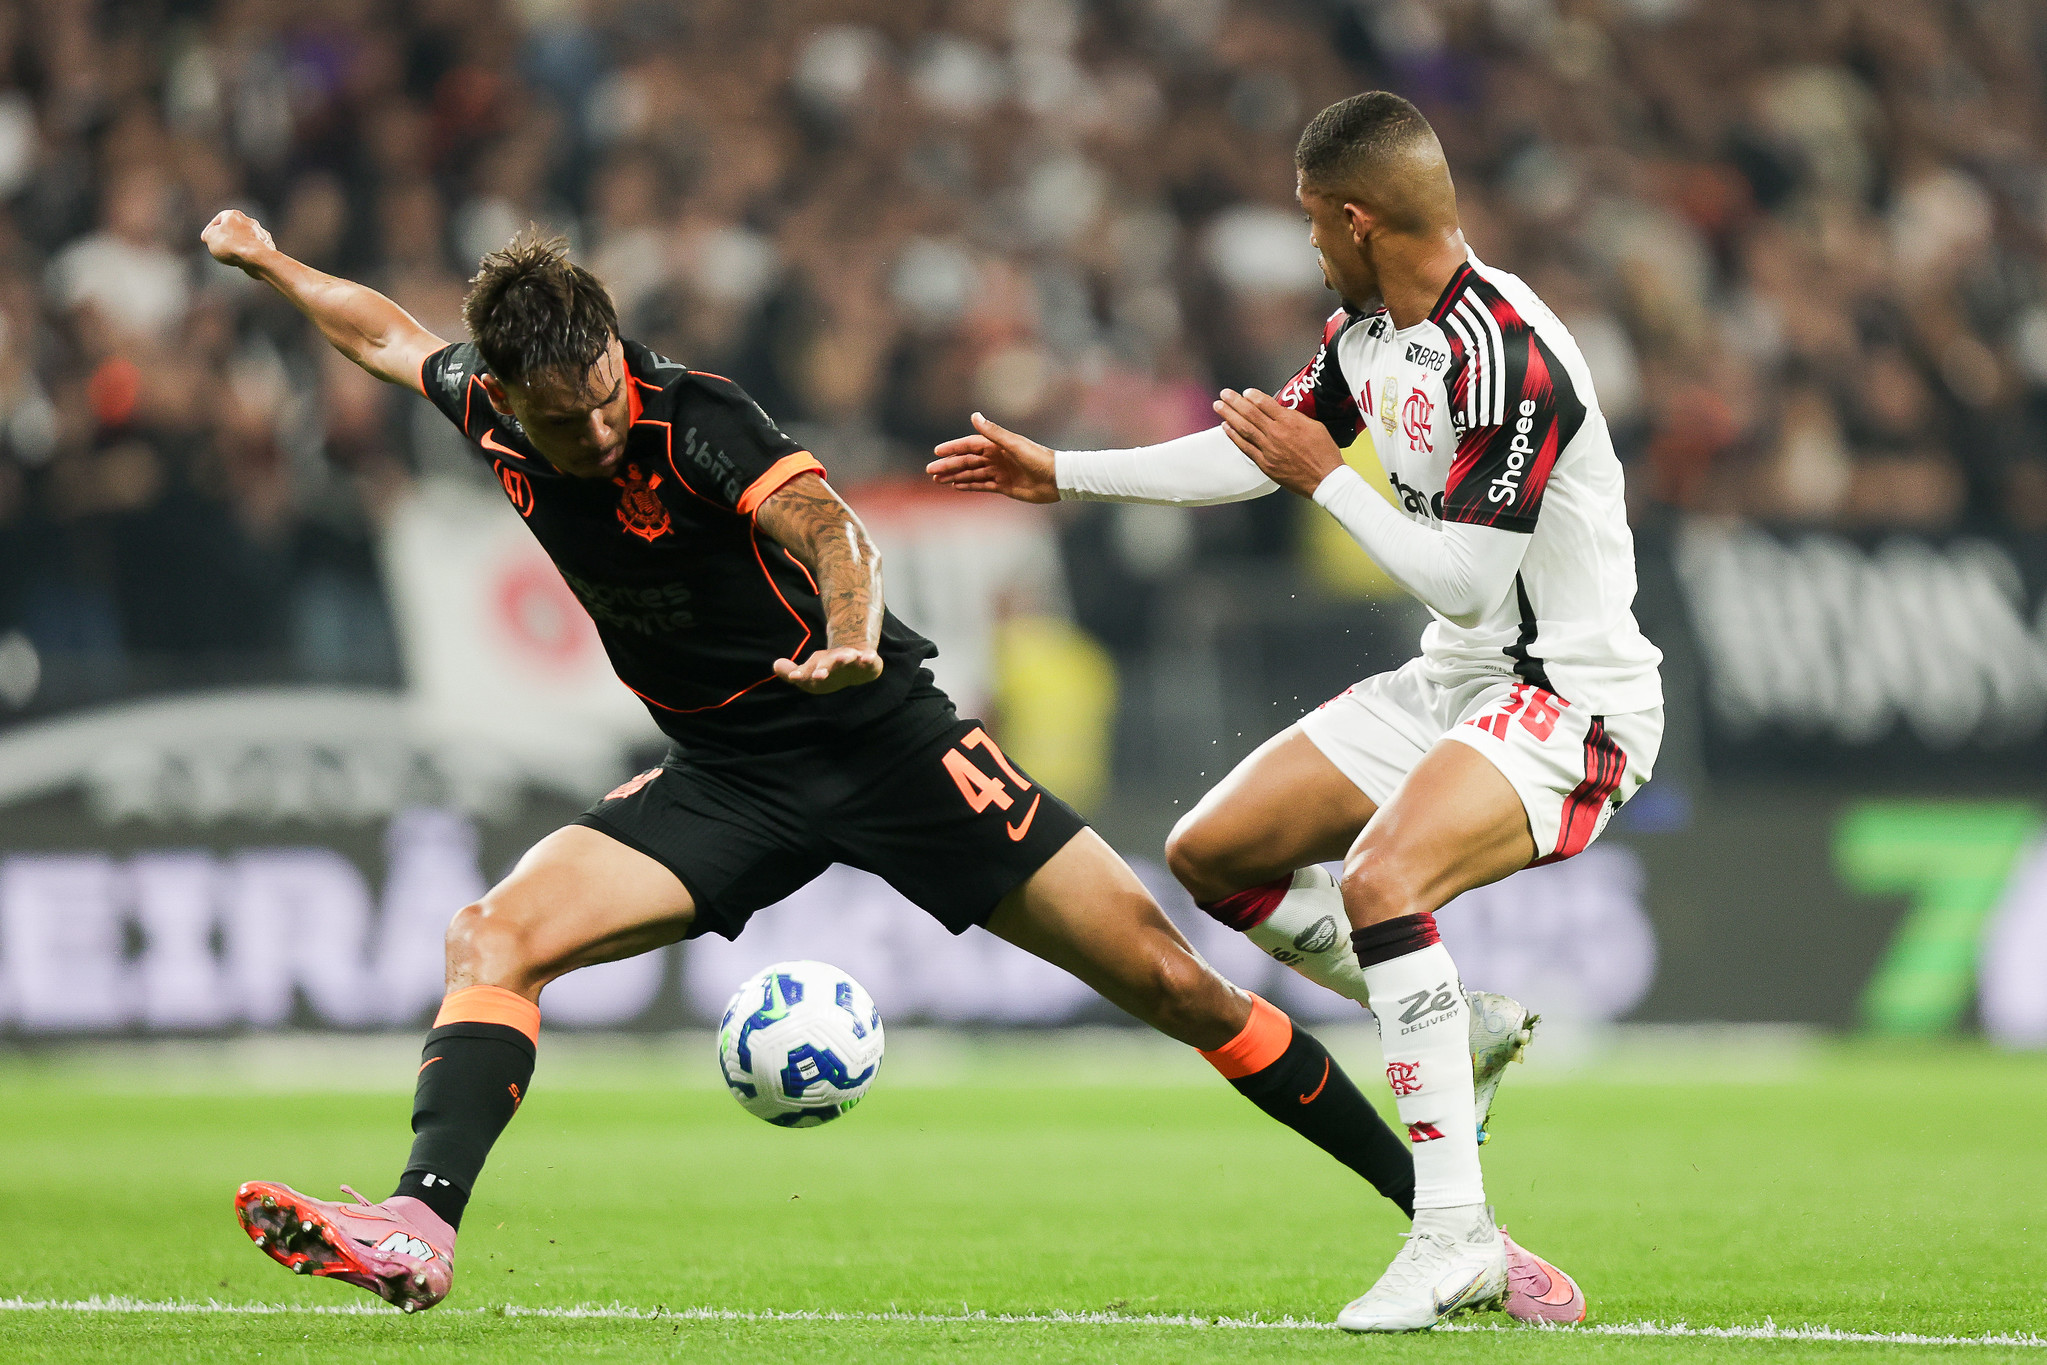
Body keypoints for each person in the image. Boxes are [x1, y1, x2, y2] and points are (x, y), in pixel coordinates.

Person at [199, 210, 1554, 1323]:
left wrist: (849, 640)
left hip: (886, 738)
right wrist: (272, 267)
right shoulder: (486, 403)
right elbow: (382, 329)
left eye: (608, 400)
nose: (601, 438)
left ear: (618, 351)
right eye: (567, 427)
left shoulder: (694, 416)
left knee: (1171, 983)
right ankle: (417, 1225)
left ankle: (1458, 1232)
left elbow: (834, 530)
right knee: (489, 935)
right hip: (725, 771)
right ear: (503, 397)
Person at [930, 90, 1660, 1331]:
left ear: (1358, 217)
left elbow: (1467, 575)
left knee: (1382, 883)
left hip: (1567, 702)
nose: (1309, 246)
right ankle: (1442, 1024)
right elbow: (1256, 448)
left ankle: (1455, 1238)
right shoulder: (1368, 334)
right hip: (1455, 684)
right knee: (1213, 854)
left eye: (1314, 223)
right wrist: (1063, 473)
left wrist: (1329, 481)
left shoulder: (1511, 357)